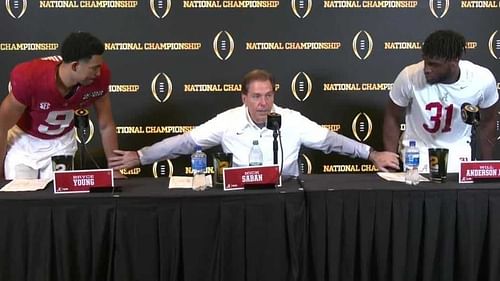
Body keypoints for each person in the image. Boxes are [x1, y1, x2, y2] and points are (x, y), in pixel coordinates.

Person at [110, 69, 399, 176]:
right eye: (257, 96)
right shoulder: (228, 121)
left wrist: (372, 154)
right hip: (240, 200)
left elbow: (331, 141)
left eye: (269, 95)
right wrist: (140, 155)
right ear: (244, 98)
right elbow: (185, 142)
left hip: (286, 197)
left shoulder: (290, 120)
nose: (263, 103)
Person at [0, 32, 123, 180]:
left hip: (61, 143)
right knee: (22, 196)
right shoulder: (31, 78)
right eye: (94, 68)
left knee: (58, 200)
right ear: (75, 66)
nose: (98, 73)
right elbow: (2, 125)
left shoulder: (100, 77)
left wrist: (114, 169)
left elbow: (106, 124)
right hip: (25, 141)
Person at [383, 30, 499, 173]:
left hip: (458, 150)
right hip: (418, 150)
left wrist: (488, 167)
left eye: (434, 64)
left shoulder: (482, 80)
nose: (426, 69)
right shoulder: (409, 76)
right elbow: (392, 117)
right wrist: (391, 162)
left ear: (454, 61)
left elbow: (488, 122)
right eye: (425, 62)